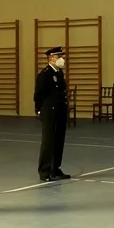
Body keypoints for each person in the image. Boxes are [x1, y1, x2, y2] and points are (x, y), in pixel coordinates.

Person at [33, 46, 70, 182]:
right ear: (51, 59)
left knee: (59, 141)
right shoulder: (45, 74)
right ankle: (44, 171)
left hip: (60, 111)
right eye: (59, 57)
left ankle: (55, 169)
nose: (62, 59)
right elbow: (38, 95)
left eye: (62, 56)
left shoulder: (59, 73)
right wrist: (38, 110)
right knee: (48, 142)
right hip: (49, 111)